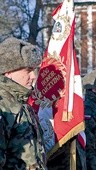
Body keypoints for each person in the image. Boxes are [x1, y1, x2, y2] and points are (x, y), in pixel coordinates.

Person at [0, 37, 47, 169]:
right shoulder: (3, 105)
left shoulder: (23, 104)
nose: (33, 76)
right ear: (8, 72)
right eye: (28, 71)